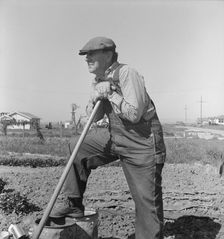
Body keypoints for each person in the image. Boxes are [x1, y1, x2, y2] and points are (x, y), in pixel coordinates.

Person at [52, 36, 166, 239]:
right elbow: (94, 118)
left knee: (146, 203)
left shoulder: (127, 73)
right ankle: (73, 204)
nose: (87, 59)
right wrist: (96, 95)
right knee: (78, 146)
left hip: (143, 142)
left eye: (91, 54)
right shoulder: (98, 81)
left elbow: (134, 114)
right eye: (85, 55)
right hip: (116, 135)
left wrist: (111, 93)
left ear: (108, 54)